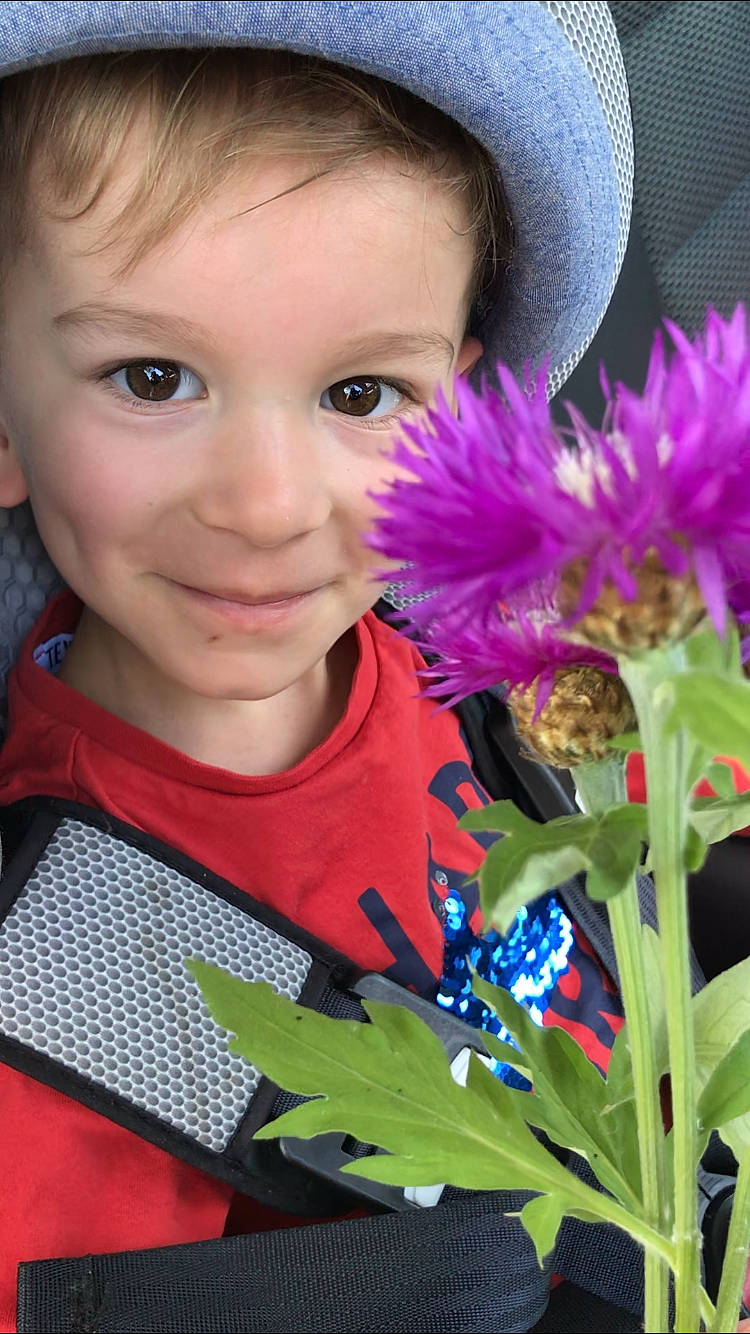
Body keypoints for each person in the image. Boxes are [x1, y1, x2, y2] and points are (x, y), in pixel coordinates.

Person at [0, 4, 689, 1331]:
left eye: (361, 395)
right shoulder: (68, 980)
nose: (266, 504)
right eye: (153, 375)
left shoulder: (466, 661)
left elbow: (653, 820)